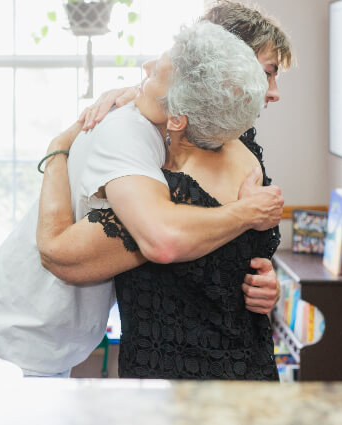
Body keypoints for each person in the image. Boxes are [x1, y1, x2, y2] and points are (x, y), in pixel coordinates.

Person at [0, 3, 287, 378]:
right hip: (11, 337)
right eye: (265, 74)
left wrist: (262, 280)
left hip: (180, 369)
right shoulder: (134, 139)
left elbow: (230, 258)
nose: (270, 93)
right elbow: (66, 251)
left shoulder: (233, 149)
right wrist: (57, 149)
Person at [38, 21, 279, 380]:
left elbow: (57, 251)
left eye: (155, 74)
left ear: (178, 119)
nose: (144, 73)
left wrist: (57, 149)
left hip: (174, 384)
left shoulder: (158, 196)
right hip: (252, 374)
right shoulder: (244, 158)